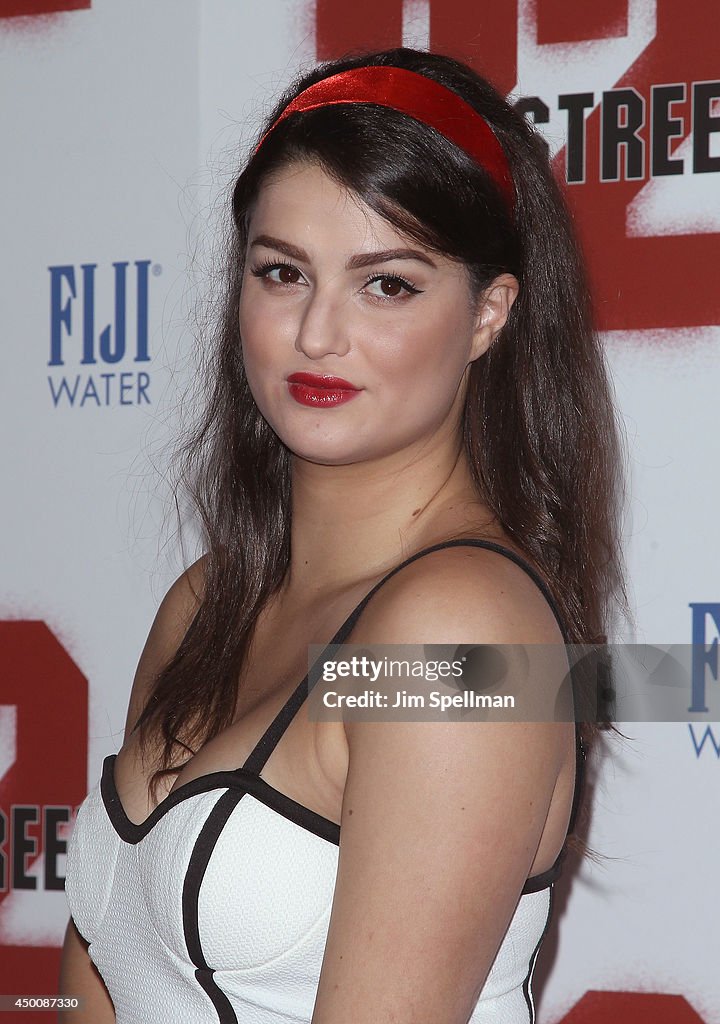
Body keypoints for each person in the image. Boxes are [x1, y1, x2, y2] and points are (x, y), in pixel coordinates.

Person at [59, 46, 627, 1024]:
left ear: (489, 313)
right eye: (283, 272)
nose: (317, 332)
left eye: (387, 284)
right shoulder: (207, 601)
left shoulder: (456, 637)